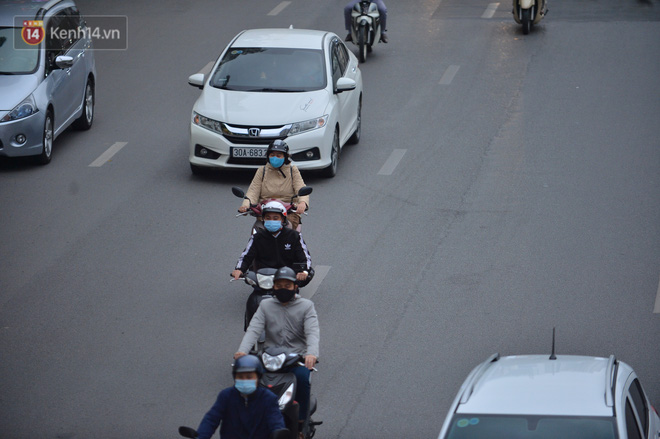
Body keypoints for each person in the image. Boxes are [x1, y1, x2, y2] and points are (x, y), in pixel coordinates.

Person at [234, 267, 320, 436]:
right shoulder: (265, 305)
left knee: (302, 377)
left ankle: (301, 423)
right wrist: (242, 352)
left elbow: (312, 332)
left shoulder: (306, 306)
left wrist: (311, 354)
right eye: (278, 285)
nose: (282, 289)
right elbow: (253, 330)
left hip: (296, 359)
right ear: (273, 287)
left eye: (287, 285)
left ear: (295, 287)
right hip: (270, 358)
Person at [194, 355, 286, 439]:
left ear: (258, 378)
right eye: (241, 377)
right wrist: (201, 436)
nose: (245, 380)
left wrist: (278, 433)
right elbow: (211, 419)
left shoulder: (268, 398)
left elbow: (275, 421)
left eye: (249, 377)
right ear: (235, 378)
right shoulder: (226, 396)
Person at [232, 200, 312, 284]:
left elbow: (305, 257)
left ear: (283, 219)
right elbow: (246, 256)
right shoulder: (257, 237)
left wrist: (304, 271)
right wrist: (239, 269)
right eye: (268, 218)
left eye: (275, 218)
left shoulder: (294, 236)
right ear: (263, 219)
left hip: (288, 277)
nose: (271, 220)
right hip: (264, 277)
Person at [238, 140, 310, 231]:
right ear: (268, 156)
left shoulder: (293, 170)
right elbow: (253, 191)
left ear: (285, 157)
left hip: (289, 213)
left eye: (279, 155)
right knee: (256, 234)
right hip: (265, 213)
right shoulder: (262, 171)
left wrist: (302, 203)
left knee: (288, 233)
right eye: (272, 155)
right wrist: (246, 205)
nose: (275, 158)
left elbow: (301, 188)